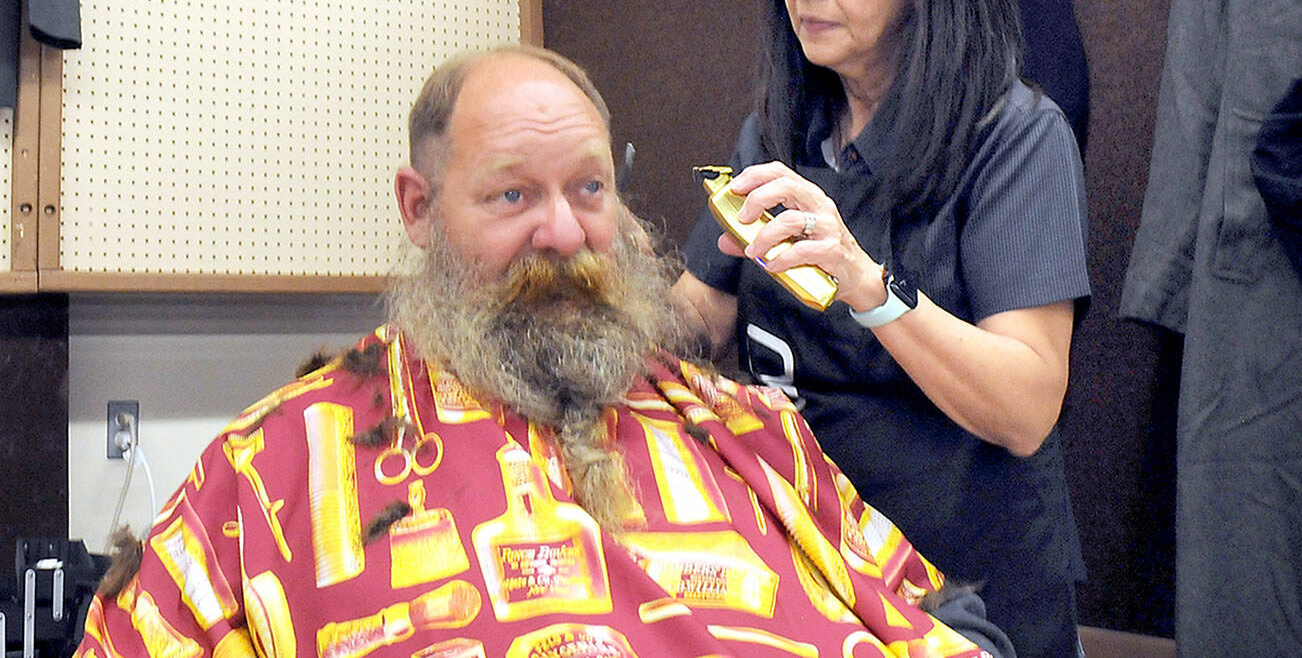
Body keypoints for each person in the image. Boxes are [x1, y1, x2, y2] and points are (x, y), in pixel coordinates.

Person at [74, 46, 1013, 658]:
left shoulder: (741, 427)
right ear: (418, 208)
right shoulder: (275, 469)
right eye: (513, 197)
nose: (564, 232)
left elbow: (932, 621)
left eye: (589, 188)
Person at [674, 0, 1089, 658]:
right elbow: (694, 322)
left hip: (969, 583)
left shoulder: (1015, 137)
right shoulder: (778, 131)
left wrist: (869, 285)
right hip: (813, 571)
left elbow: (1025, 408)